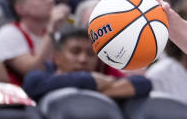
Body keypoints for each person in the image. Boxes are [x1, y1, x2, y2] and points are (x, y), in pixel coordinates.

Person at [23, 26, 151, 102]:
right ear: (57, 57)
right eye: (75, 52)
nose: (83, 59)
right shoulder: (41, 77)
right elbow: (31, 84)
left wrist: (95, 95)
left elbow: (143, 83)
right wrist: (90, 81)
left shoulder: (102, 80)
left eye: (90, 54)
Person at [0, 0, 72, 85]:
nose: (50, 0)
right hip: (21, 99)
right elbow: (34, 71)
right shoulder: (9, 33)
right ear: (20, 8)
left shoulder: (56, 34)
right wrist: (52, 29)